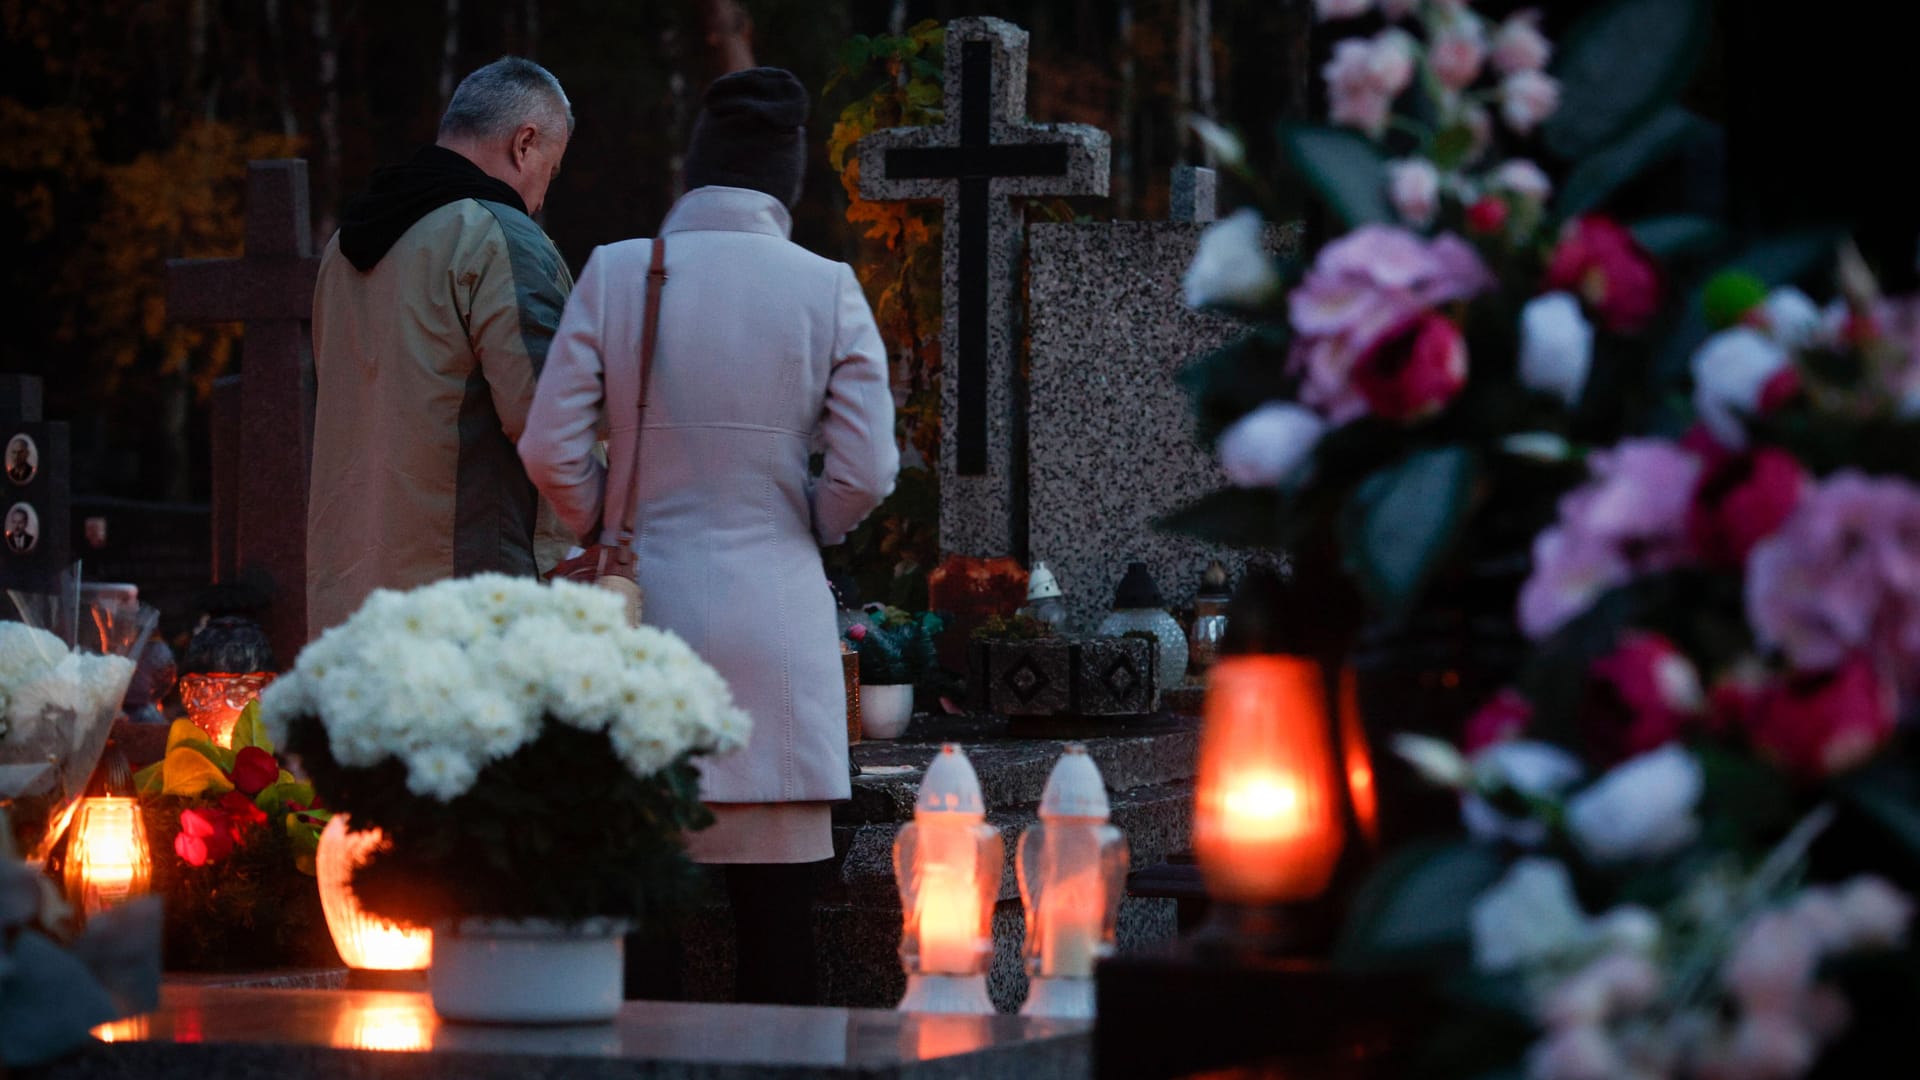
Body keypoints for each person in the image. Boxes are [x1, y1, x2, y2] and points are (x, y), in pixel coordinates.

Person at [519, 68, 898, 1006]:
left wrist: (608, 520)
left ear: (696, 171)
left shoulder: (615, 270)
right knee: (780, 936)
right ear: (788, 178)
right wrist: (805, 526)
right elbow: (866, 471)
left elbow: (549, 447)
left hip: (647, 623)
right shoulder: (830, 289)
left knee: (646, 927)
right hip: (776, 637)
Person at [306, 57, 576, 637]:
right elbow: (551, 421)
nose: (541, 199)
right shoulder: (498, 237)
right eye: (550, 173)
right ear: (524, 143)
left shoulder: (342, 249)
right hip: (466, 617)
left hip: (349, 612)